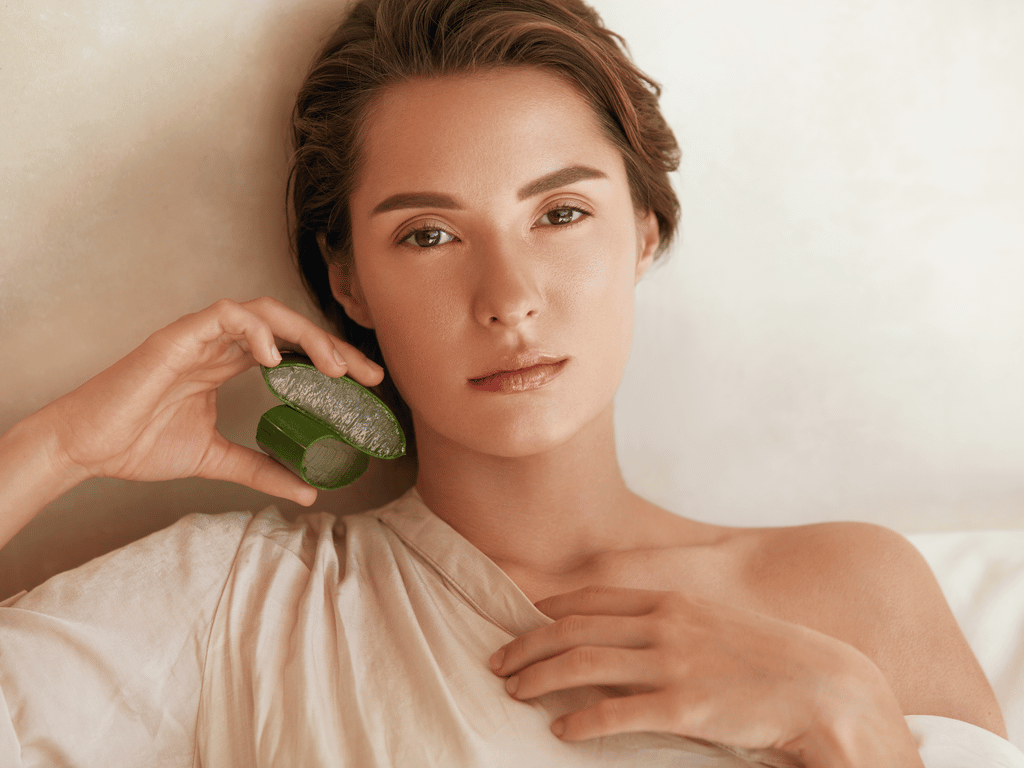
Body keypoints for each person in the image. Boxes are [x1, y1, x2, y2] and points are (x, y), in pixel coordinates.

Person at [0, 0, 1020, 766]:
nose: (508, 297)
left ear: (644, 230)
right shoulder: (235, 603)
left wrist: (844, 715)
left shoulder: (847, 596)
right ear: (349, 279)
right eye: (429, 235)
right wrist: (60, 448)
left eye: (560, 214)